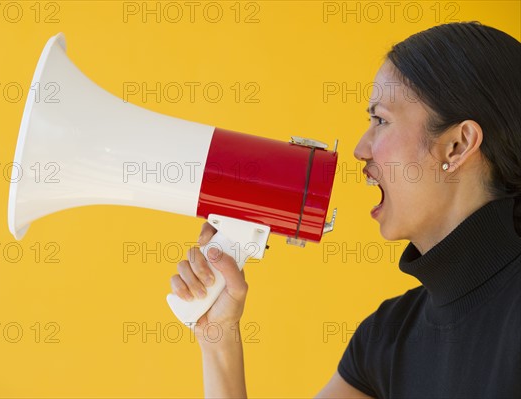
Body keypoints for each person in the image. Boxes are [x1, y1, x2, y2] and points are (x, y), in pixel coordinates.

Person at [169, 21, 521, 398]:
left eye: (381, 120)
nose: (360, 148)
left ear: (457, 144)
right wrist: (218, 338)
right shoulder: (386, 338)